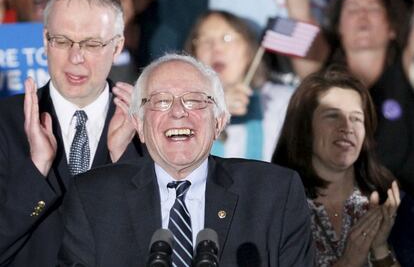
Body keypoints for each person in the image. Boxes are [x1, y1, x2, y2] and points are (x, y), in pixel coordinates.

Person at [58, 53, 313, 266]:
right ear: (139, 123)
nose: (178, 112)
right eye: (161, 101)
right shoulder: (94, 196)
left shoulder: (275, 193)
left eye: (194, 101)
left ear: (219, 122)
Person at [0, 0, 144, 266]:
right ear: (45, 41)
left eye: (92, 44)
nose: (76, 58)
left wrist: (123, 159)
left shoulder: (146, 125)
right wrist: (36, 169)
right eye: (63, 41)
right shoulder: (5, 121)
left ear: (117, 47)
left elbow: (160, 242)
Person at [284, 0, 414, 197]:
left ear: (392, 28)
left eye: (373, 8)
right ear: (339, 28)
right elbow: (298, 11)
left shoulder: (407, 70)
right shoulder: (319, 77)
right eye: (352, 9)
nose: (362, 15)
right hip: (336, 211)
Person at [272, 67, 400, 266]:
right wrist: (349, 261)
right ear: (304, 127)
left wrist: (380, 249)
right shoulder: (276, 206)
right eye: (333, 115)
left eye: (356, 118)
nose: (347, 127)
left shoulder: (388, 202)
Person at [185, 10, 294, 161]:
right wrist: (213, 110)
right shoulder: (181, 106)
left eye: (227, 38)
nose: (216, 48)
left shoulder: (284, 101)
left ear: (249, 49)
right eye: (205, 40)